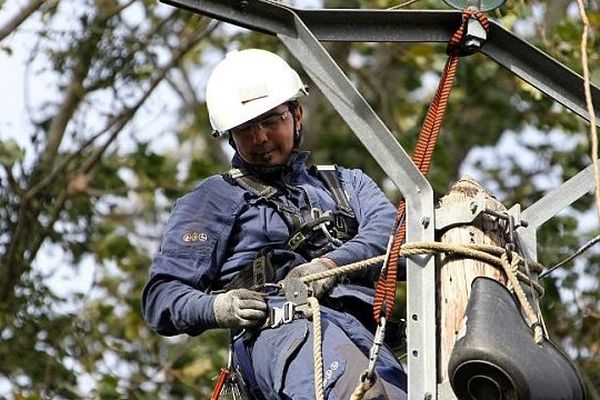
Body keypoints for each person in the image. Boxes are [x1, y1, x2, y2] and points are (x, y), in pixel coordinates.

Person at [142, 48, 407, 399]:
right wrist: (218, 307)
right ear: (230, 136)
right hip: (282, 334)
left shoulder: (346, 184)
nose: (261, 138)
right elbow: (162, 296)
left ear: (296, 114)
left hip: (370, 338)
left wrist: (330, 266)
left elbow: (393, 239)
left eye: (270, 121)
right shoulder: (212, 200)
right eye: (246, 129)